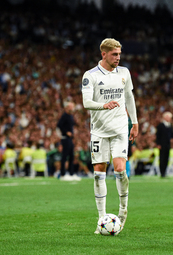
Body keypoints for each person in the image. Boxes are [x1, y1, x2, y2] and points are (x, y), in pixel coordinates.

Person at [81, 38, 138, 234]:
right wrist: (103, 105)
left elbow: (129, 97)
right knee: (99, 173)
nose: (118, 58)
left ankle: (123, 211)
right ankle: (101, 219)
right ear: (103, 54)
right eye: (114, 54)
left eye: (119, 54)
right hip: (99, 131)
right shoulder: (91, 76)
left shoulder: (124, 73)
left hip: (121, 128)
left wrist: (135, 122)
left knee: (120, 169)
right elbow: (86, 102)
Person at [57, 102, 80, 181]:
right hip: (65, 138)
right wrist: (66, 132)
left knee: (71, 156)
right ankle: (63, 174)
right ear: (67, 107)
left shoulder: (70, 116)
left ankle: (71, 173)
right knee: (65, 156)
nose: (73, 108)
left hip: (70, 139)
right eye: (71, 106)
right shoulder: (64, 116)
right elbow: (59, 125)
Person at [156, 111, 173, 178]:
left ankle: (165, 172)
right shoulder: (160, 125)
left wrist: (172, 139)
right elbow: (158, 135)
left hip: (168, 144)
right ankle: (162, 172)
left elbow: (172, 134)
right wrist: (158, 144)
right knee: (162, 158)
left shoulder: (170, 125)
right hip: (162, 144)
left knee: (167, 158)